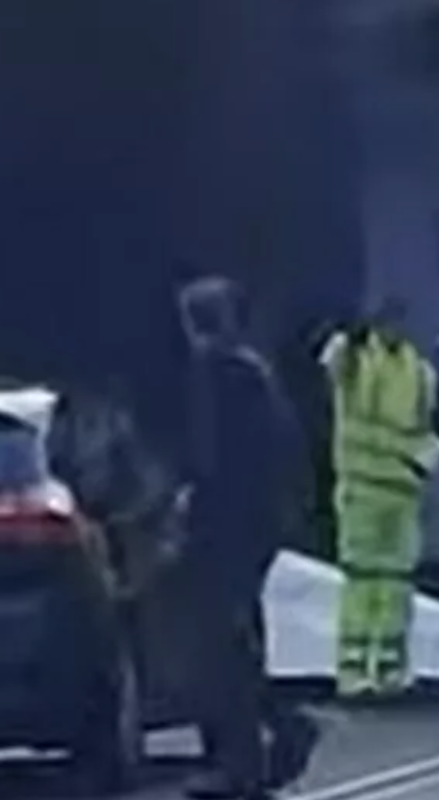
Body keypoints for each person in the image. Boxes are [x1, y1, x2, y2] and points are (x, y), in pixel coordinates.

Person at [175, 275, 319, 800]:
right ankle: (268, 737)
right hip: (253, 525)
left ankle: (241, 761)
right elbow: (283, 448)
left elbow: (216, 456)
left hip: (226, 526)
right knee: (237, 642)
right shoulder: (254, 372)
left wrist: (190, 500)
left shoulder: (222, 375)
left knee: (221, 647)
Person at [321, 296, 439, 701]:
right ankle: (353, 669)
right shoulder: (353, 359)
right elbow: (329, 360)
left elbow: (433, 425)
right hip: (361, 489)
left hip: (403, 493)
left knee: (397, 584)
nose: (393, 328)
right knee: (361, 580)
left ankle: (390, 667)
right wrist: (348, 332)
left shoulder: (420, 372)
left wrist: (426, 464)